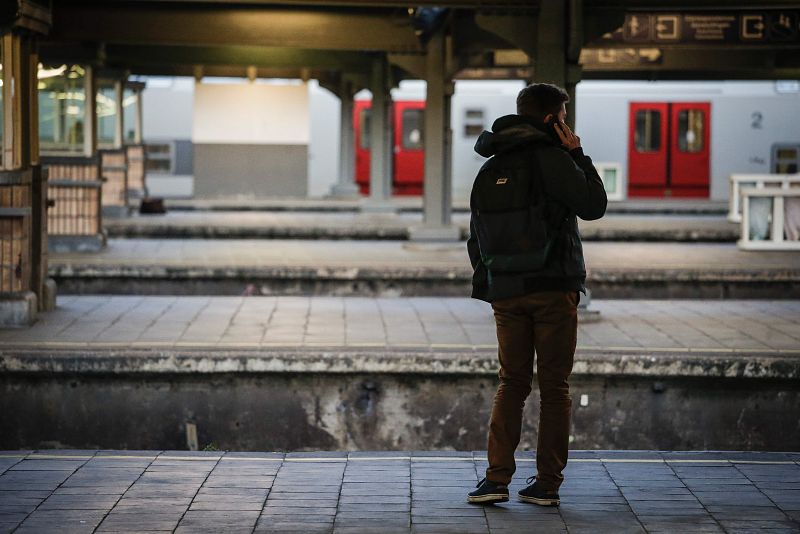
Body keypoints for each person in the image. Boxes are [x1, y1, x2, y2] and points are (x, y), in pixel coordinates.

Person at [466, 83, 607, 506]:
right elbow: (594, 205)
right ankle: (547, 483)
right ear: (552, 119)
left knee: (511, 383)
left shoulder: (491, 167)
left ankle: (495, 480)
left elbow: (476, 237)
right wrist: (577, 153)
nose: (567, 124)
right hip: (552, 288)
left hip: (507, 294)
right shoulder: (555, 160)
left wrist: (493, 282)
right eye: (563, 117)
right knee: (554, 387)